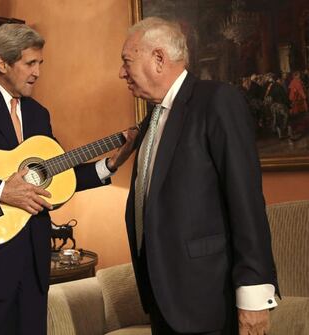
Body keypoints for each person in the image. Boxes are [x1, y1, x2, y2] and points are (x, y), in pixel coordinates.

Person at [0, 23, 134, 335]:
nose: (37, 72)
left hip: (32, 268)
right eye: (30, 63)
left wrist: (109, 165)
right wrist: (1, 190)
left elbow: (53, 175)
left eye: (40, 64)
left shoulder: (38, 114)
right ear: (3, 63)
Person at [116, 17, 279, 335]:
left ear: (159, 58)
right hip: (163, 303)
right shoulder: (152, 119)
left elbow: (245, 202)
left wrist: (254, 295)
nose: (121, 72)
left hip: (207, 302)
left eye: (127, 61)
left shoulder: (217, 101)